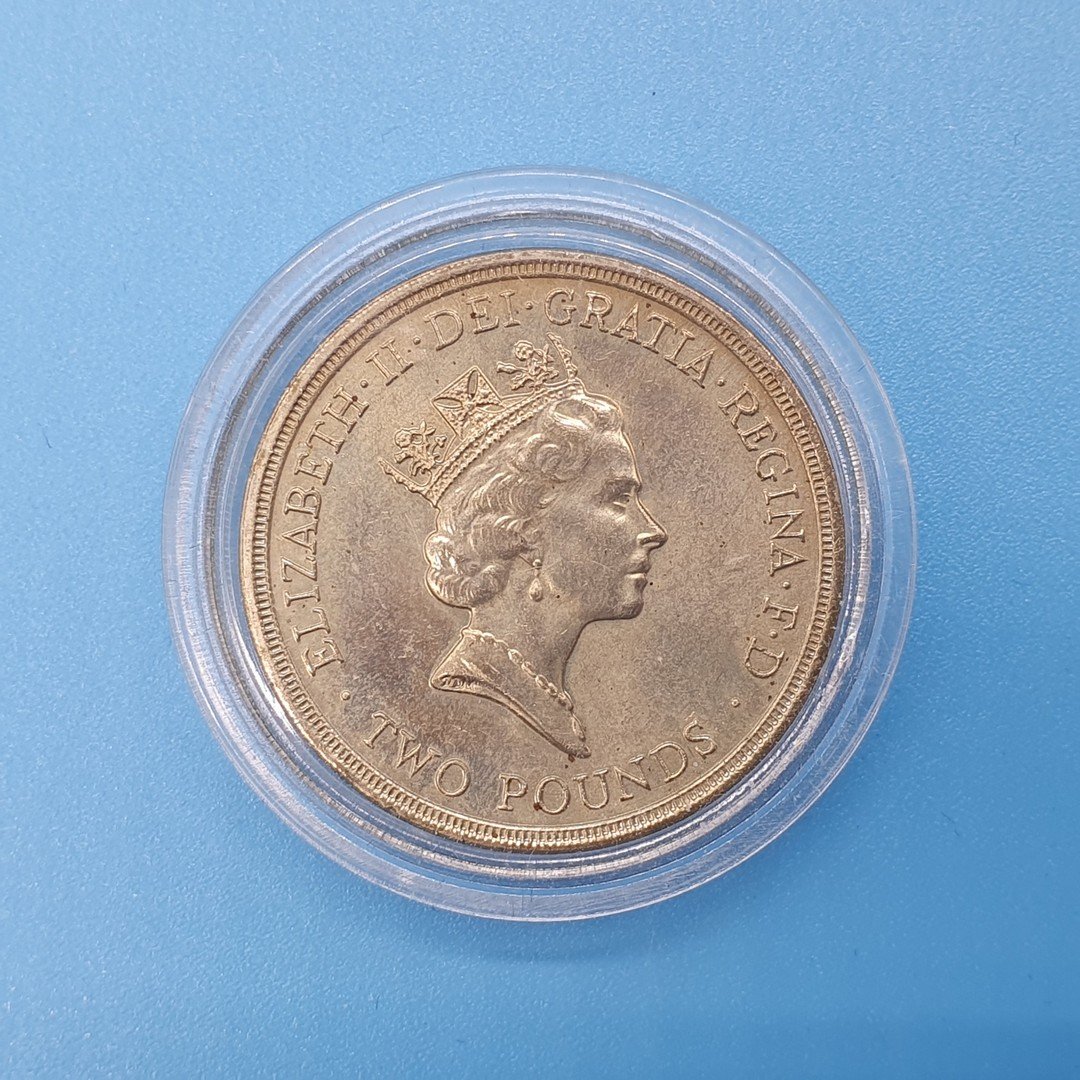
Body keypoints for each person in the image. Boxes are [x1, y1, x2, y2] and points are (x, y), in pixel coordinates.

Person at [381, 336, 666, 759]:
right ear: (528, 530)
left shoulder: (541, 690)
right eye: (618, 499)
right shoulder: (482, 686)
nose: (654, 531)